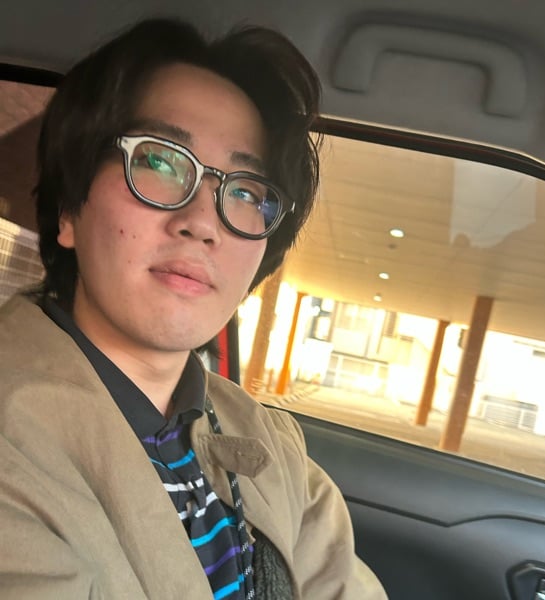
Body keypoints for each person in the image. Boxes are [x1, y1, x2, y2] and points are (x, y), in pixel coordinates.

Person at [0, 17, 387, 600]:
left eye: (246, 192)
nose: (203, 222)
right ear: (70, 211)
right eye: (159, 162)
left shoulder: (270, 442)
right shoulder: (14, 446)